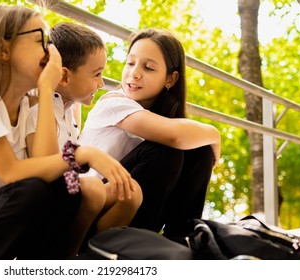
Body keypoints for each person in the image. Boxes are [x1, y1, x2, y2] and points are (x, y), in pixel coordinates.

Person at [0, 5, 134, 260]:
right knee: (30, 190)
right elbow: (11, 172)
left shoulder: (26, 103)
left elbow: (48, 165)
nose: (51, 51)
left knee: (64, 190)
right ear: (3, 49)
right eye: (41, 40)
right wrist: (84, 154)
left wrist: (45, 91)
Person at [79, 28, 221, 241]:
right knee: (167, 151)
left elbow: (179, 136)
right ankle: (141, 244)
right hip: (91, 211)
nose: (134, 73)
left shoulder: (157, 116)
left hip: (129, 206)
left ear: (170, 80)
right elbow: (174, 136)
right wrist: (215, 134)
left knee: (199, 152)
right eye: (130, 63)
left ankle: (181, 240)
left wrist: (208, 145)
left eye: (148, 67)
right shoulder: (113, 102)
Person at [26, 22, 142, 256]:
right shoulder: (39, 105)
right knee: (93, 189)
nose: (101, 84)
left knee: (130, 192)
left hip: (66, 192)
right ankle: (64, 260)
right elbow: (46, 165)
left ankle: (93, 259)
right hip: (42, 202)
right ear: (65, 77)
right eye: (97, 75)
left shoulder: (69, 108)